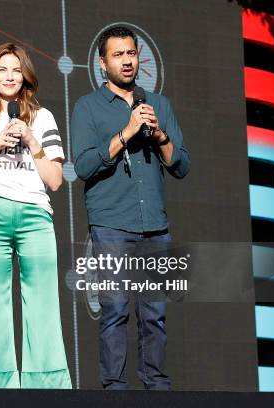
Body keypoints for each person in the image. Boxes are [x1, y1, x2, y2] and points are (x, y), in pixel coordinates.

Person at [71, 26, 190, 390]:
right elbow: (84, 166)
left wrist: (159, 135)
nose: (127, 61)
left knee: (155, 315)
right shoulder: (88, 107)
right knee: (115, 312)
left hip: (154, 225)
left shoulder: (159, 105)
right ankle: (115, 390)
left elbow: (181, 166)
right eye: (118, 55)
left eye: (132, 54)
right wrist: (126, 133)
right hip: (110, 225)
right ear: (103, 63)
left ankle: (158, 388)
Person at [0, 42, 72, 389]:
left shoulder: (44, 117)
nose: (9, 76)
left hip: (35, 216)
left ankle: (48, 389)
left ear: (26, 77)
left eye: (16, 70)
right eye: (2, 69)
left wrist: (33, 141)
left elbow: (54, 181)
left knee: (43, 304)